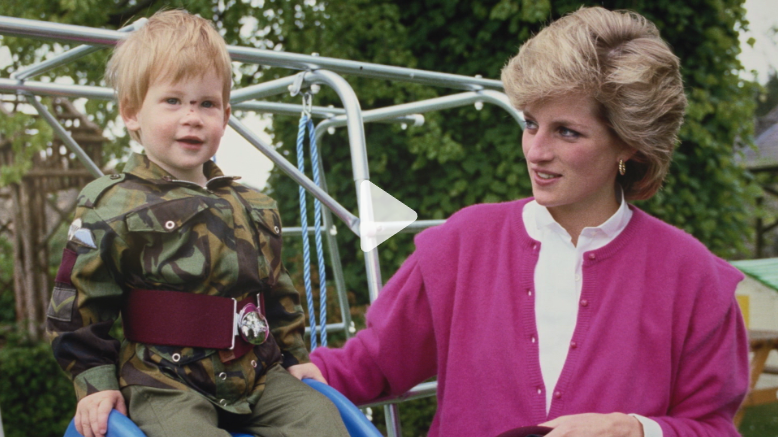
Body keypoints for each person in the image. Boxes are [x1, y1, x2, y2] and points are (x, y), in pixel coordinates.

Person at [290, 6, 749, 437]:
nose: (536, 151)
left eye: (566, 131)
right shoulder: (461, 243)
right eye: (531, 123)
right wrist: (312, 375)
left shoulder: (696, 280)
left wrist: (631, 428)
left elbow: (711, 427)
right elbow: (376, 361)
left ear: (629, 143)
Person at [45, 9, 348, 437]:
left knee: (323, 422)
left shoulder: (254, 205)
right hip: (165, 382)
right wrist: (93, 382)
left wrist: (297, 357)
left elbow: (278, 294)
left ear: (224, 116)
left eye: (206, 103)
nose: (192, 116)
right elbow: (77, 306)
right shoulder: (113, 205)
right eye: (173, 100)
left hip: (257, 374)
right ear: (132, 113)